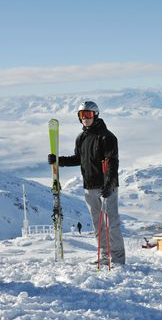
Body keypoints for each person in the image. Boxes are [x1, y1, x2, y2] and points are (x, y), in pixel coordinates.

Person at [48, 101, 125, 265]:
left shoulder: (107, 137)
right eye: (82, 115)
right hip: (89, 187)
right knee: (98, 226)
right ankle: (105, 256)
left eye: (88, 114)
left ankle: (118, 259)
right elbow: (79, 159)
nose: (85, 118)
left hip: (106, 187)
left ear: (95, 115)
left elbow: (112, 162)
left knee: (112, 224)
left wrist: (110, 184)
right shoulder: (81, 138)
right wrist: (58, 160)